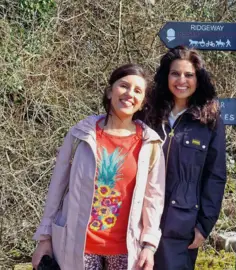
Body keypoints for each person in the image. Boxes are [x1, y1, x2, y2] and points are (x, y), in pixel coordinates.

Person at [31, 64, 166, 270]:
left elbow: (154, 200)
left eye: (138, 91)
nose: (129, 94)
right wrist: (44, 238)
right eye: (124, 86)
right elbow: (56, 189)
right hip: (79, 247)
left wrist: (149, 244)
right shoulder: (81, 134)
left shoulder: (150, 143)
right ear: (110, 91)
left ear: (142, 103)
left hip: (126, 249)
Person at [147, 46, 226, 270]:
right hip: (141, 218)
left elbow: (216, 175)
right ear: (166, 76)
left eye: (189, 74)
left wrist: (204, 225)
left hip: (182, 224)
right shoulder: (148, 113)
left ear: (198, 79)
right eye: (175, 73)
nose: (182, 80)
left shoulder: (209, 120)